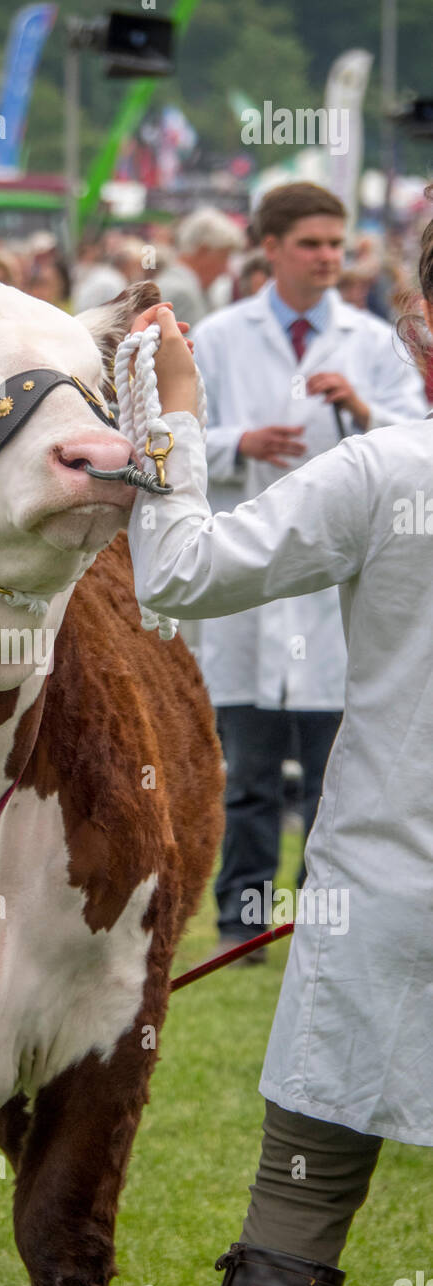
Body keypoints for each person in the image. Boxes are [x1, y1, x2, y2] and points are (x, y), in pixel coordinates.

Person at [125, 220, 433, 1286]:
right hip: (371, 904)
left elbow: (174, 573)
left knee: (285, 1260)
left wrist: (170, 404)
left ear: (415, 339)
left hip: (377, 907)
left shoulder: (384, 467)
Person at [190, 182, 427, 960]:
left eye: (336, 244)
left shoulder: (370, 338)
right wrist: (239, 444)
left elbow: (416, 440)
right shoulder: (222, 336)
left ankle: (331, 923)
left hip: (338, 594)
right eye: (311, 244)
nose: (328, 258)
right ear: (271, 248)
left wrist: (361, 406)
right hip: (253, 576)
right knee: (251, 771)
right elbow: (185, 436)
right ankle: (242, 922)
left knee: (337, 773)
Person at [155, 207, 246, 327]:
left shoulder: (179, 284)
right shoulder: (182, 293)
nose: (225, 269)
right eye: (223, 258)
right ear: (203, 251)